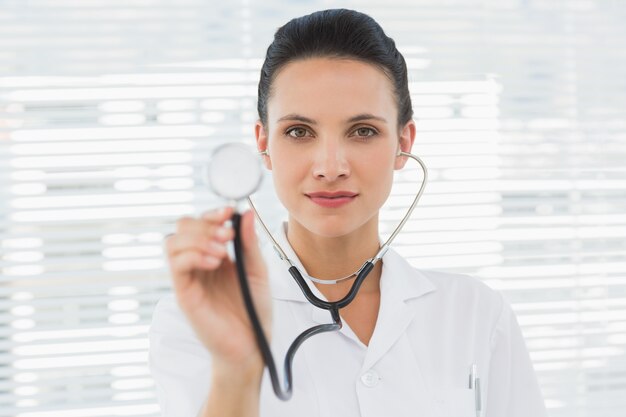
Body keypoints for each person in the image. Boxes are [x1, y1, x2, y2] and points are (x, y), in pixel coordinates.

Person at [149, 8, 547, 417]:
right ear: (263, 143)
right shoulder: (195, 320)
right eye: (299, 132)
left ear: (403, 141)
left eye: (363, 131)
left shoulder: (476, 314)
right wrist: (236, 371)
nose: (330, 166)